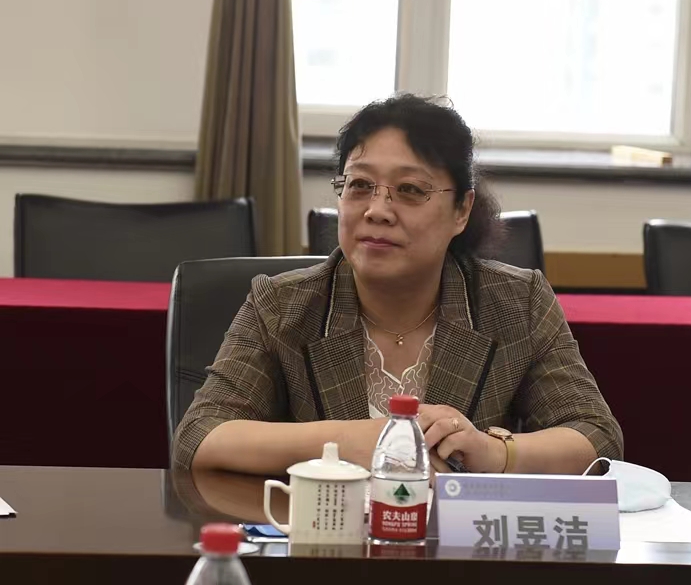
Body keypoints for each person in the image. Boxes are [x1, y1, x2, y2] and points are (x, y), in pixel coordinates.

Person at [172, 93, 623, 475]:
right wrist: (343, 442)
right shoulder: (282, 305)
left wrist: (493, 452)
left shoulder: (516, 303)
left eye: (410, 190)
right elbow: (199, 435)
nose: (377, 210)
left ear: (462, 210)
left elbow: (598, 438)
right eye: (360, 185)